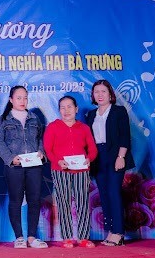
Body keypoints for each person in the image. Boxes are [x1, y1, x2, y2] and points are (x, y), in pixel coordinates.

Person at [0, 85, 48, 249]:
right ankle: (19, 237)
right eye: (18, 98)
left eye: (25, 97)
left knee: (34, 200)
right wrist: (11, 158)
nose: (22, 101)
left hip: (34, 165)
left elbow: (40, 138)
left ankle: (32, 237)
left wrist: (41, 152)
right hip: (14, 165)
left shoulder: (34, 118)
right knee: (15, 200)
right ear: (11, 100)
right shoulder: (3, 120)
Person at [85, 79, 135, 247]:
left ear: (110, 94)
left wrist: (121, 157)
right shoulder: (91, 114)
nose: (100, 95)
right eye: (96, 92)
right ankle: (110, 231)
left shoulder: (119, 111)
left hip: (115, 155)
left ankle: (119, 233)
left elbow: (125, 136)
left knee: (113, 192)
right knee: (104, 194)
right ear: (93, 95)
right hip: (97, 157)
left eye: (103, 91)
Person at [44, 95, 98, 248]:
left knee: (82, 202)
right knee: (63, 203)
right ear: (59, 110)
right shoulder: (53, 127)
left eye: (69, 107)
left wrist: (89, 159)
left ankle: (83, 237)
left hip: (81, 169)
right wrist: (58, 161)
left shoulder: (84, 128)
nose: (66, 110)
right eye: (62, 107)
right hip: (60, 169)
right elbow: (48, 149)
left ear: (76, 109)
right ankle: (67, 237)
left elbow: (92, 149)